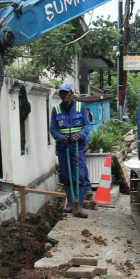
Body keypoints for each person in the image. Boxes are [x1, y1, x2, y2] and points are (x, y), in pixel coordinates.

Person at [50, 83, 93, 217]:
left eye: (66, 93)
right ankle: (70, 204)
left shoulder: (81, 107)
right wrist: (60, 137)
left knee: (79, 176)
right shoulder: (56, 110)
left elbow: (87, 125)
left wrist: (81, 135)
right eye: (62, 93)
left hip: (77, 147)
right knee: (66, 176)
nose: (64, 95)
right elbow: (53, 129)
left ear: (71, 93)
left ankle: (79, 206)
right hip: (63, 147)